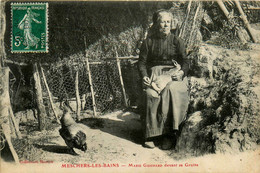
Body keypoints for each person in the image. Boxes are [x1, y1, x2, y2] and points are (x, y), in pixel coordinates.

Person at [138, 9, 190, 150]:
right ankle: (151, 135)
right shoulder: (148, 42)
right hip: (155, 76)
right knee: (151, 95)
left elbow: (186, 61)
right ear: (157, 24)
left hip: (174, 75)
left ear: (171, 24)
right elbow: (141, 63)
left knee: (170, 90)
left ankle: (169, 134)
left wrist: (182, 73)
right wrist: (144, 76)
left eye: (168, 22)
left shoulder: (177, 41)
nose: (165, 25)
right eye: (162, 22)